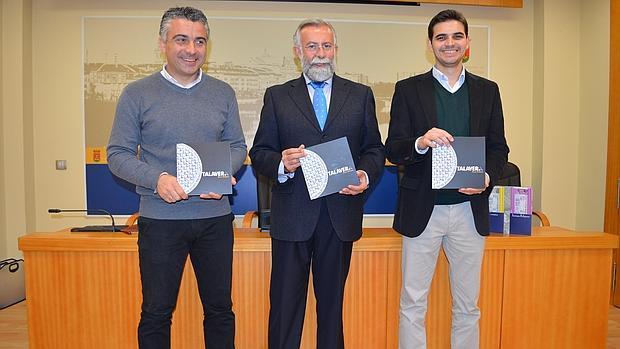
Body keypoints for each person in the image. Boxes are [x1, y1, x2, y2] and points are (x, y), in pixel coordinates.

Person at [107, 7, 246, 349]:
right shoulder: (137, 94)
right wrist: (158, 179)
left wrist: (223, 173)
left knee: (220, 310)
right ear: (163, 43)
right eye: (181, 39)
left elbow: (238, 146)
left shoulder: (223, 92)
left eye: (200, 41)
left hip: (214, 220)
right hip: (160, 220)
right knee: (156, 312)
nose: (191, 49)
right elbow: (117, 154)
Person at [249, 19, 385, 349]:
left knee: (332, 310)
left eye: (326, 46)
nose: (320, 54)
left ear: (335, 50)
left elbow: (374, 149)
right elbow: (260, 152)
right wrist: (283, 162)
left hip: (340, 217)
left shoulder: (360, 95)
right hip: (292, 218)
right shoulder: (278, 96)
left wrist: (364, 176)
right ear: (298, 52)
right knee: (284, 310)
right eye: (312, 46)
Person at [385, 9, 509, 349]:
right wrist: (420, 142)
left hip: (470, 211)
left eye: (456, 36)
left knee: (468, 307)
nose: (449, 43)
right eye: (441, 37)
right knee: (413, 303)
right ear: (430, 44)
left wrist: (486, 176)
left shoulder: (488, 90)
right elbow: (393, 148)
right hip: (423, 211)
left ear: (467, 42)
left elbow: (499, 149)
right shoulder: (408, 89)